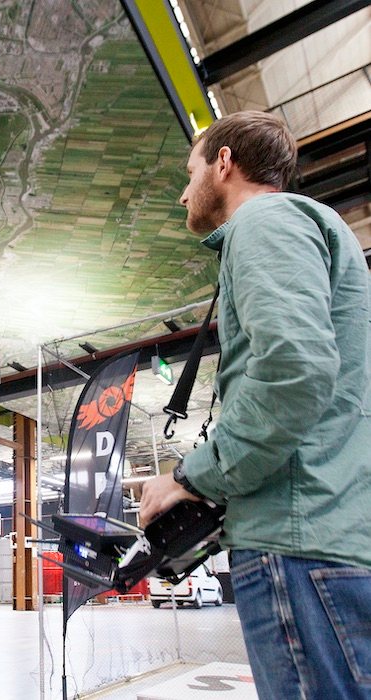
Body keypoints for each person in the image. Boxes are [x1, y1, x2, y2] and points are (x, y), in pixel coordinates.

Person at [139, 111, 370, 699]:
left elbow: (294, 369)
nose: (183, 192)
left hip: (296, 544)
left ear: (224, 163)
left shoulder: (265, 221)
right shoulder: (314, 230)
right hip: (327, 533)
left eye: (190, 171)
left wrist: (192, 477)